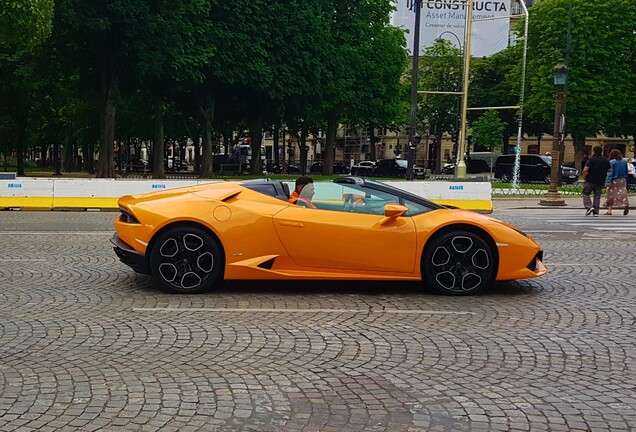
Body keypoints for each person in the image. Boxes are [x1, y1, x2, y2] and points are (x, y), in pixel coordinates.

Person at [581, 146, 610, 216]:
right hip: (601, 180)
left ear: (593, 151)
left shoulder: (591, 160)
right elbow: (610, 170)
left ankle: (589, 206)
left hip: (590, 179)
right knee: (597, 196)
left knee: (586, 193)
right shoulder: (605, 160)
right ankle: (596, 211)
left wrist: (584, 177)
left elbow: (585, 170)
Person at [603, 148, 629, 216]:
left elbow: (610, 172)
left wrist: (607, 181)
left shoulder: (612, 162)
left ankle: (609, 210)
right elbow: (626, 171)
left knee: (610, 195)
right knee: (622, 193)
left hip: (614, 180)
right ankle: (625, 204)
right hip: (622, 179)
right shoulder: (624, 161)